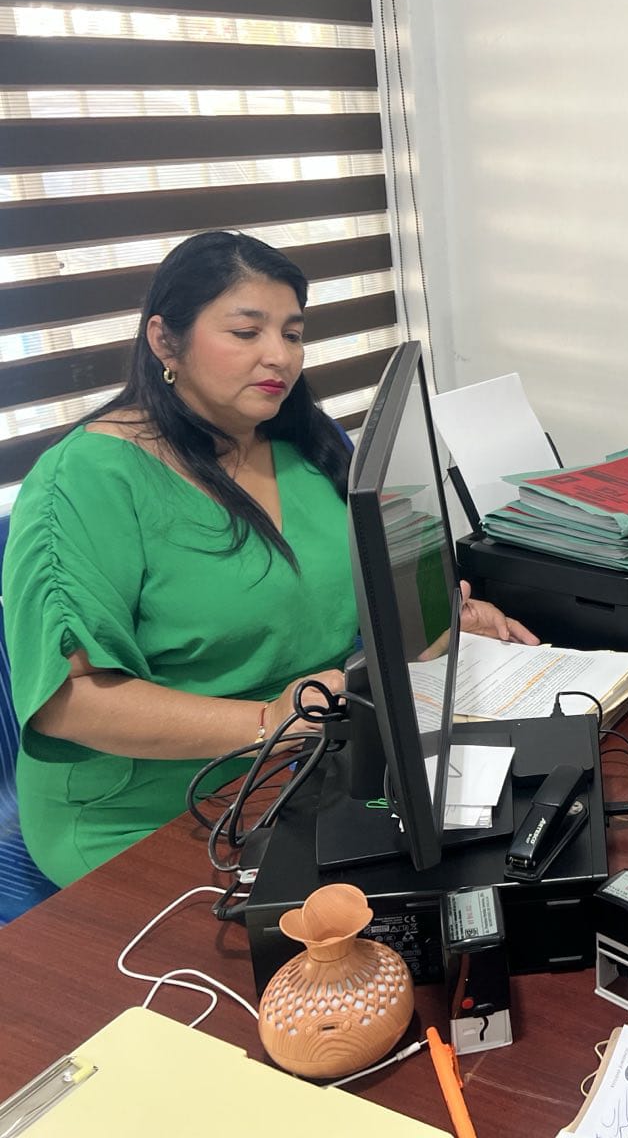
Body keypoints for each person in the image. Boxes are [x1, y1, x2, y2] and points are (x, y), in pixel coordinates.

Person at [3, 231, 534, 887]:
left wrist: (436, 616)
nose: (279, 355)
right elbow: (69, 702)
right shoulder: (85, 481)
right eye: (246, 332)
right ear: (165, 341)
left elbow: (353, 587)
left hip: (309, 762)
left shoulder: (304, 441)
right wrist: (268, 722)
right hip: (153, 812)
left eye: (292, 333)